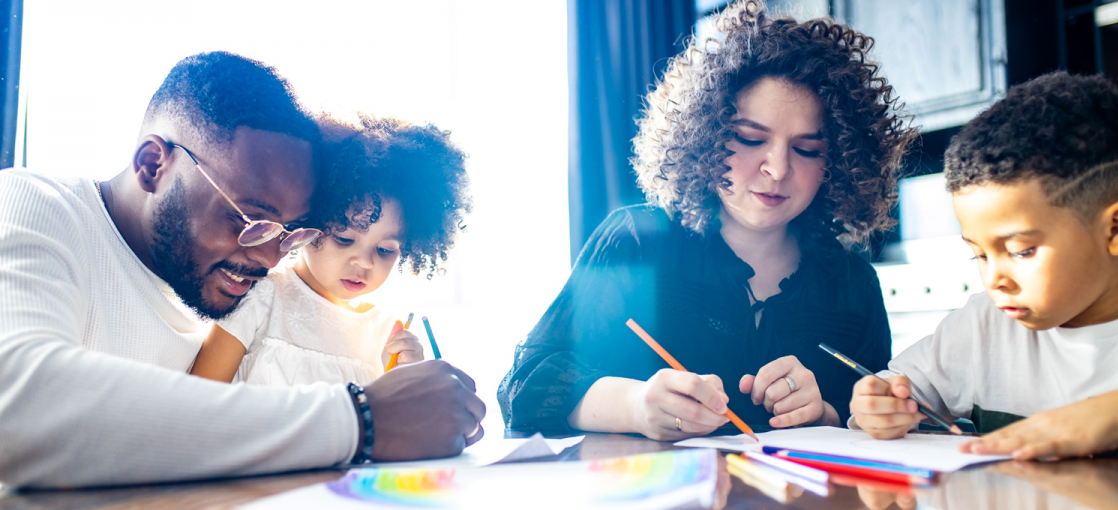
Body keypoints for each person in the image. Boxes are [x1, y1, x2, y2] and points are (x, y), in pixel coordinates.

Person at [0, 52, 484, 489]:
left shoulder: (210, 288)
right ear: (152, 165)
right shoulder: (31, 204)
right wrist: (363, 420)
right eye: (250, 220)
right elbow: (16, 408)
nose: (271, 259)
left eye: (290, 232)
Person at [498, 0, 915, 440]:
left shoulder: (852, 282)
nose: (777, 168)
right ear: (705, 134)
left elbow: (876, 418)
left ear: (840, 162)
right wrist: (635, 407)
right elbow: (524, 387)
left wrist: (827, 413)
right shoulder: (637, 241)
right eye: (751, 139)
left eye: (807, 149)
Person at [849, 71, 1118, 460]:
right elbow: (895, 388)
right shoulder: (983, 326)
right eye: (980, 254)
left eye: (1021, 251)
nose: (994, 280)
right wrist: (879, 405)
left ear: (1116, 229)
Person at [190, 115, 470, 386]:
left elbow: (389, 429)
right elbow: (196, 402)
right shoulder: (260, 297)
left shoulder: (387, 335)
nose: (365, 262)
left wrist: (406, 380)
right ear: (308, 220)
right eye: (344, 239)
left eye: (385, 250)